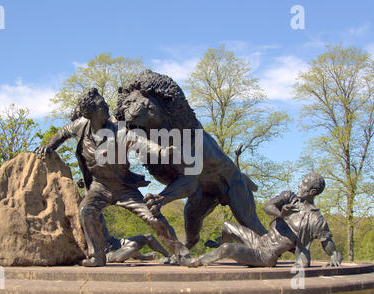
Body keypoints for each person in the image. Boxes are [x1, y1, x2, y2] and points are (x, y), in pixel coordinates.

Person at [35, 88, 190, 267]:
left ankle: (181, 254)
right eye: (102, 105)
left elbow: (142, 143)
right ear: (91, 113)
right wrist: (49, 146)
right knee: (86, 210)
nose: (107, 105)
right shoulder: (81, 125)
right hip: (99, 187)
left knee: (153, 217)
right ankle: (97, 256)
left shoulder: (119, 131)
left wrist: (164, 151)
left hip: (124, 188)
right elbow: (62, 133)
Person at [189, 173, 342, 268]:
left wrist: (334, 254)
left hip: (267, 256)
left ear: (312, 192)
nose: (299, 185)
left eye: (303, 184)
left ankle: (197, 262)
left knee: (228, 249)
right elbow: (267, 206)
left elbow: (326, 241)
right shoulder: (290, 197)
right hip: (260, 241)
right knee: (226, 225)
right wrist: (281, 213)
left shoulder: (315, 219)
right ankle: (218, 247)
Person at [98, 213, 171, 263]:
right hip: (107, 254)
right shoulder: (88, 217)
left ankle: (169, 256)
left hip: (116, 242)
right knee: (132, 246)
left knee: (149, 237)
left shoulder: (99, 210)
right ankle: (142, 257)